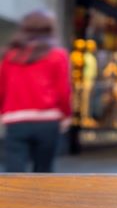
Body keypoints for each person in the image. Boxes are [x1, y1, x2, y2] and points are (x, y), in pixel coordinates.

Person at [0, 9, 72, 173]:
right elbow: (63, 90)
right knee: (43, 172)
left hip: (16, 120)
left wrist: (4, 111)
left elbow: (2, 88)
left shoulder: (10, 56)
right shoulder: (57, 55)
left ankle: (13, 199)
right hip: (47, 122)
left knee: (14, 172)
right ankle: (38, 199)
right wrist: (66, 115)